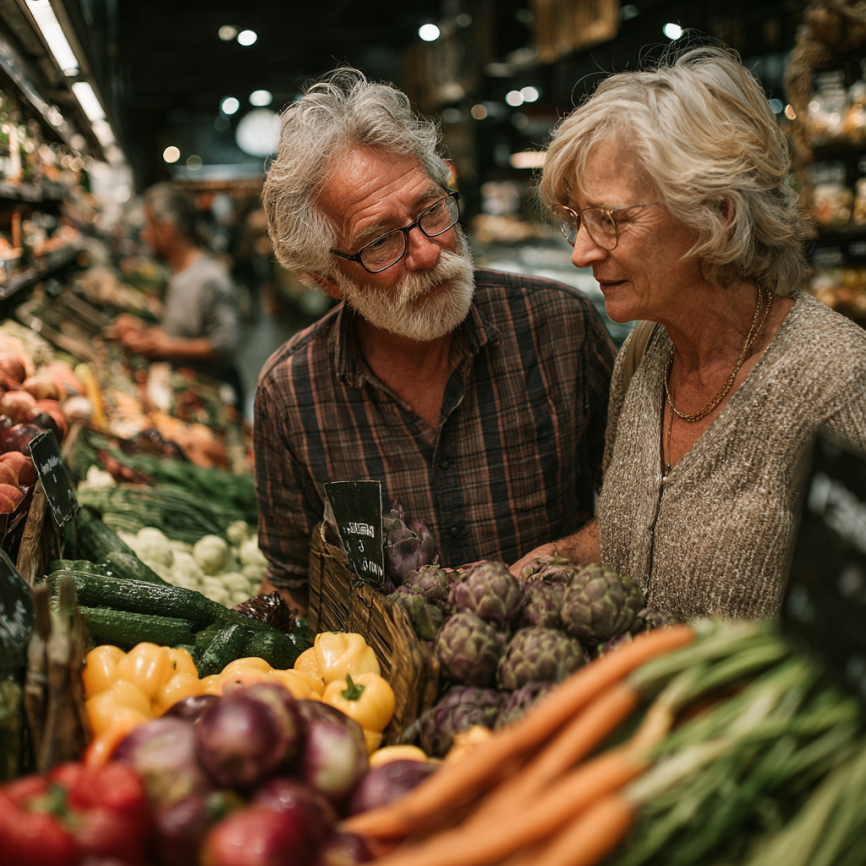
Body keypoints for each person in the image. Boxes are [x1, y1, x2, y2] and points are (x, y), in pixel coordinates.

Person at [513, 42, 866, 619]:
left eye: (610, 219)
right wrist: (536, 568)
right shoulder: (646, 351)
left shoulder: (837, 381)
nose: (580, 252)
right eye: (576, 221)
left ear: (718, 215)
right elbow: (639, 528)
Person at [255, 68, 616, 612]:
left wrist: (543, 567)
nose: (427, 253)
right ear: (328, 280)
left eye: (430, 211)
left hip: (557, 675)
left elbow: (638, 511)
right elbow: (293, 586)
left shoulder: (557, 327)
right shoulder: (291, 394)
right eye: (379, 243)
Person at [115, 183, 243, 406]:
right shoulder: (178, 273)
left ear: (166, 230)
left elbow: (225, 345)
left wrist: (168, 347)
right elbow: (187, 331)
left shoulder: (208, 278)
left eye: (148, 227)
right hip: (188, 389)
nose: (144, 236)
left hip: (213, 397)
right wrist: (147, 332)